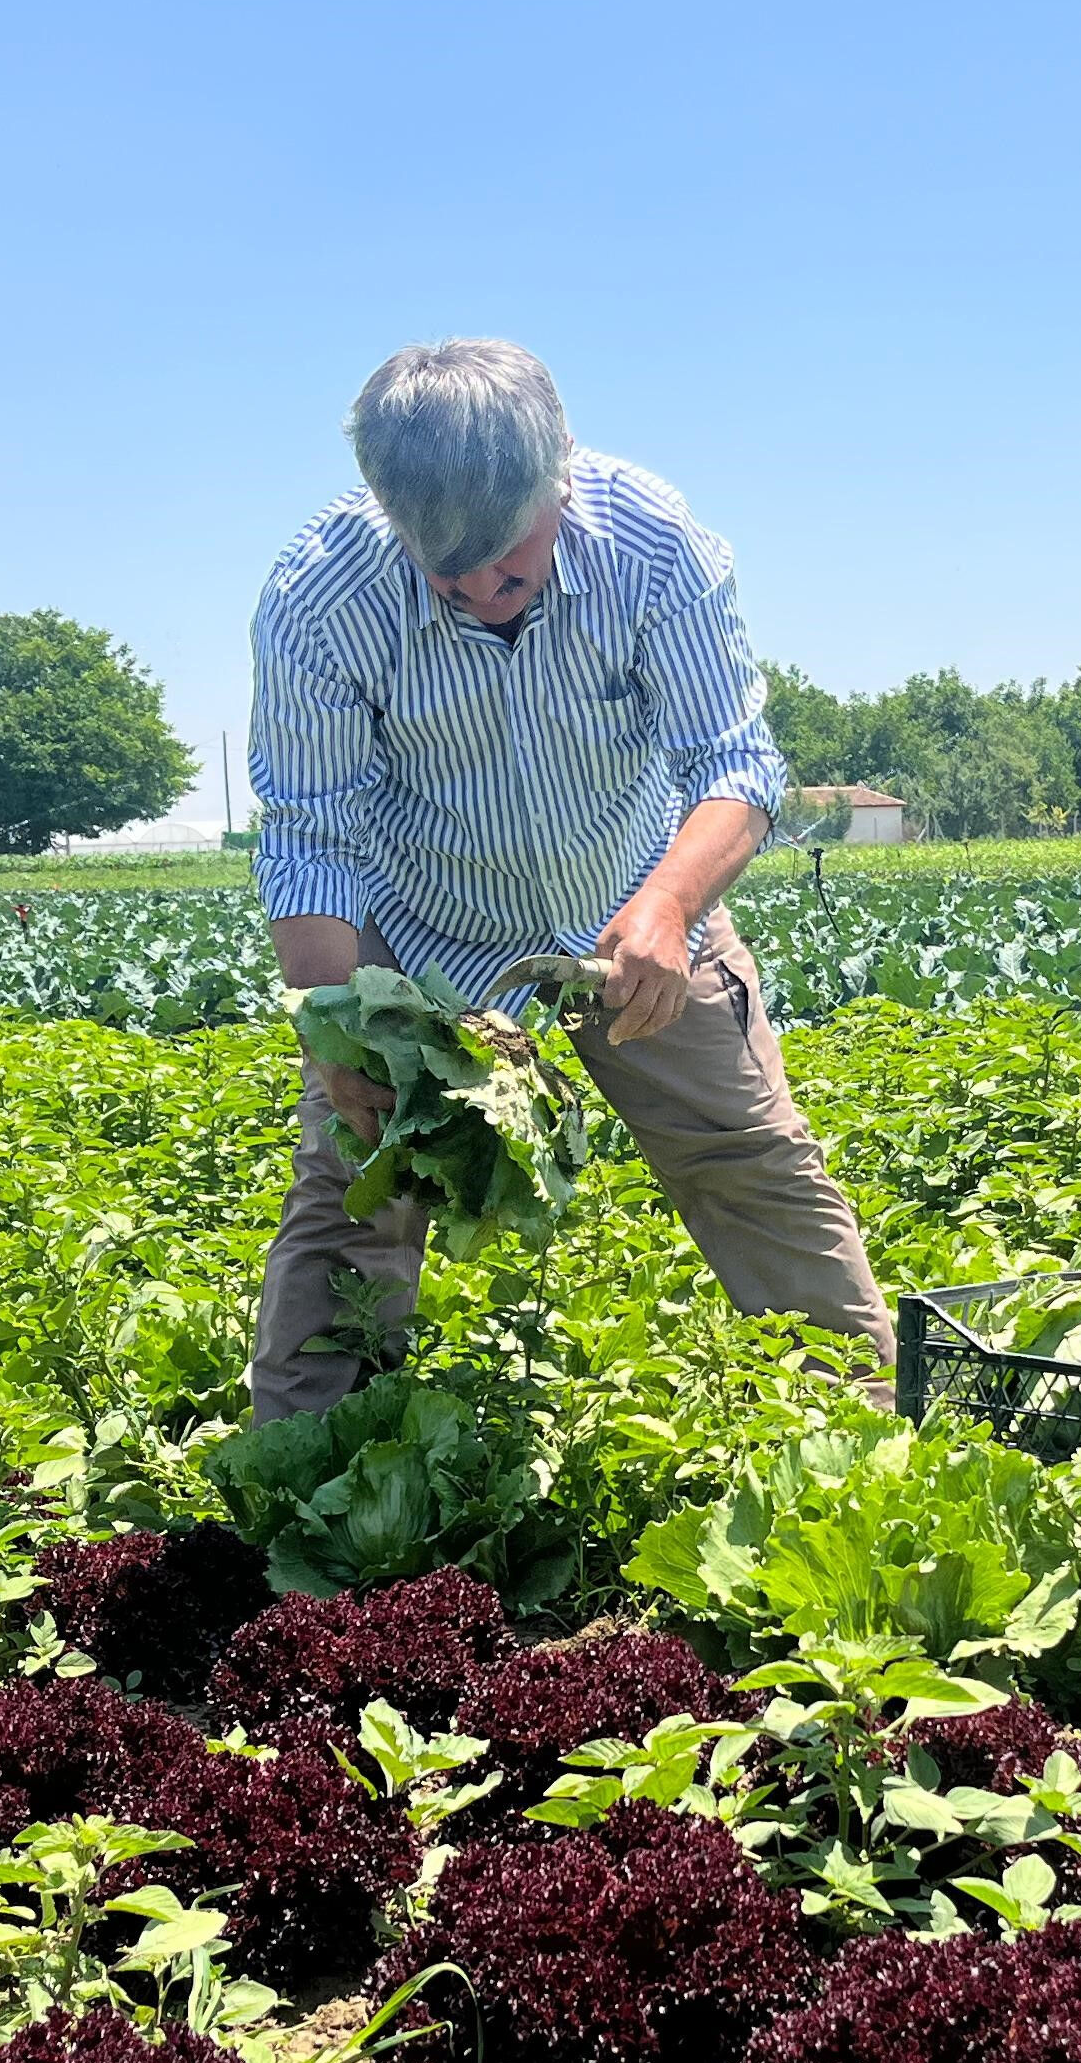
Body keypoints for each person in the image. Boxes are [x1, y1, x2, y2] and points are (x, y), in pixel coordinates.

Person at [242, 337, 891, 1420]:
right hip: (423, 931)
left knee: (750, 1162)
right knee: (363, 1192)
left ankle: (864, 1436)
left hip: (636, 904)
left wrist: (673, 910)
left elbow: (735, 764)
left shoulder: (651, 542)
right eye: (448, 572)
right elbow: (314, 832)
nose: (485, 592)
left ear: (560, 478)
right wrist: (332, 1023)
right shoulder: (323, 598)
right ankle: (303, 1477)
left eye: (509, 560)